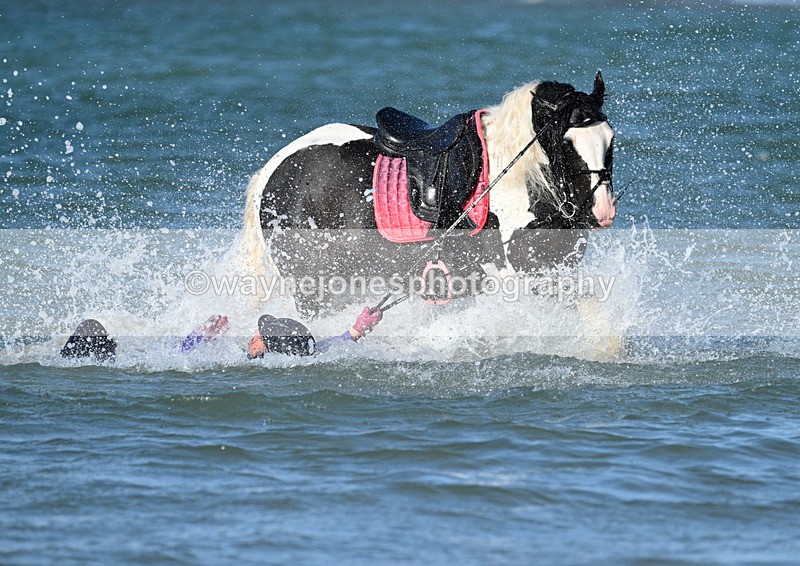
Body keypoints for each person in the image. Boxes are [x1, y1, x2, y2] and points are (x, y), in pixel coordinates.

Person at [59, 307, 382, 361]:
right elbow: (320, 347)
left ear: (260, 343)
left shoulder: (232, 359)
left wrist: (202, 334)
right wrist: (358, 329)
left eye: (257, 331)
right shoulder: (301, 354)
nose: (252, 333)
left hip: (124, 363)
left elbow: (183, 353)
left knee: (91, 331)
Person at [246, 307, 382, 358]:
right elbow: (339, 342)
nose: (256, 333)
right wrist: (359, 328)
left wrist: (358, 329)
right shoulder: (311, 353)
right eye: (259, 334)